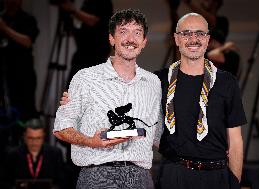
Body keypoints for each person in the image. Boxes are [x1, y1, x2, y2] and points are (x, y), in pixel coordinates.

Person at [53, 9, 161, 189]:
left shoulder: (153, 82)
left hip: (140, 177)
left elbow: (157, 133)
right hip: (96, 175)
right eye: (123, 31)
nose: (130, 39)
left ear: (144, 42)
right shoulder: (85, 77)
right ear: (111, 38)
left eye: (137, 33)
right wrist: (90, 141)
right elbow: (60, 129)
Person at [155, 13, 247, 189]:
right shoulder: (159, 80)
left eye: (199, 33)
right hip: (173, 176)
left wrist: (234, 183)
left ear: (207, 39)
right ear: (176, 39)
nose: (193, 39)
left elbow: (235, 141)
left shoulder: (226, 82)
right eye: (186, 33)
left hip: (217, 177)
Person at [0, 0, 39, 122]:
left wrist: (4, 28)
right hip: (3, 70)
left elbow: (27, 42)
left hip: (22, 73)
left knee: (25, 110)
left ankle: (27, 136)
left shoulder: (27, 19)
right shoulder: (2, 17)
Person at [58, 0, 113, 83]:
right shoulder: (86, 2)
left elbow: (93, 20)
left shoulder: (103, 2)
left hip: (96, 51)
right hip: (83, 50)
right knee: (73, 86)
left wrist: (73, 10)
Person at [1, 118, 66, 189]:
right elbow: (5, 182)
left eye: (38, 138)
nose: (34, 142)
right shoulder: (13, 155)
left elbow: (62, 182)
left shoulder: (55, 154)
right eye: (30, 138)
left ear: (43, 137)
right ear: (24, 137)